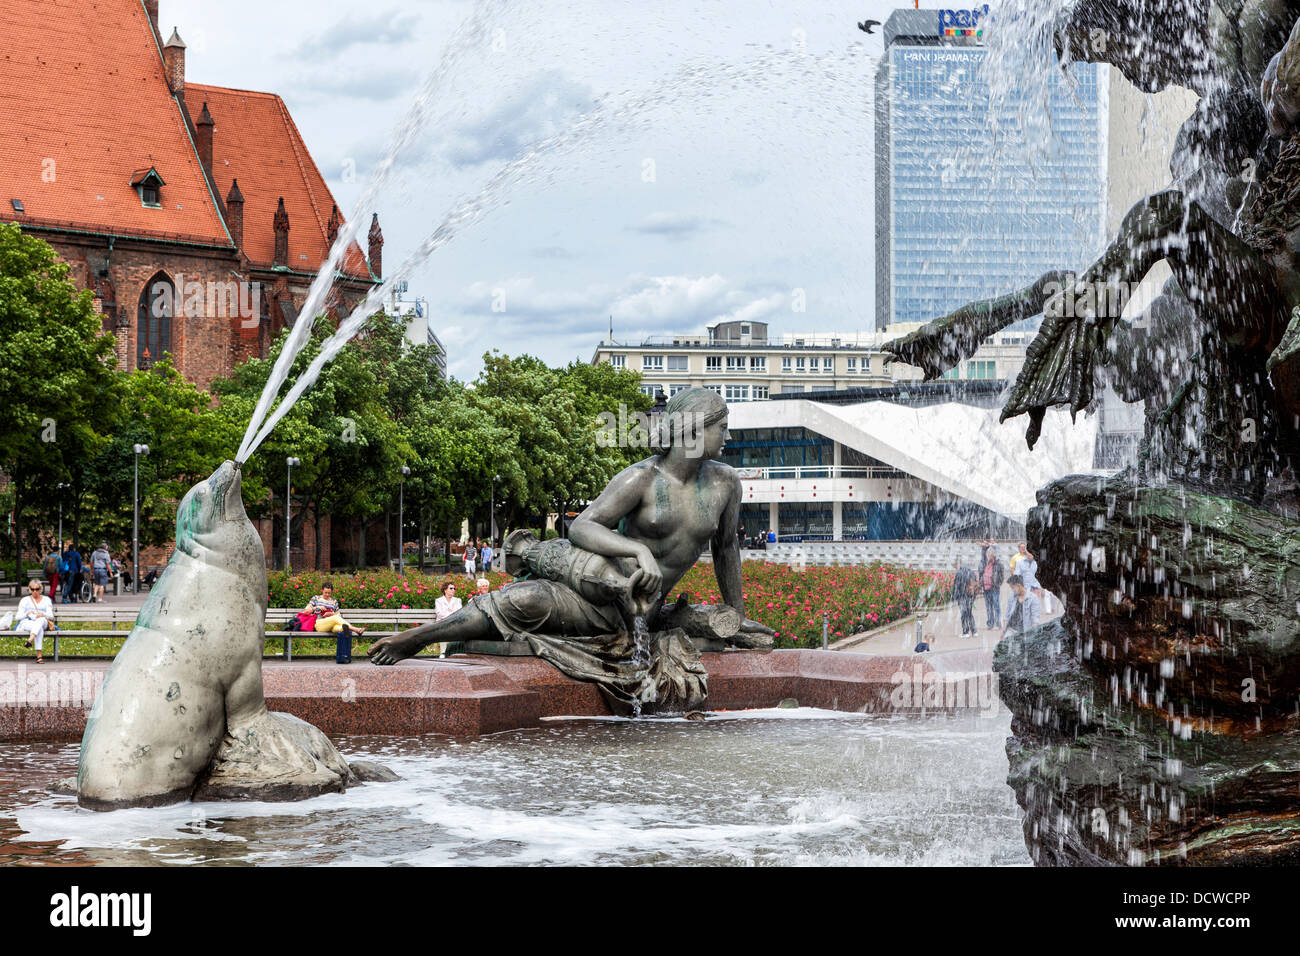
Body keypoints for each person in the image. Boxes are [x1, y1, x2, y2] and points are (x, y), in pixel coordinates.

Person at [369, 387, 774, 683]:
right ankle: (417, 638)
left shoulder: (725, 484)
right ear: (693, 429)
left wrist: (735, 616)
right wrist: (637, 550)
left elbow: (726, 549)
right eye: (722, 427)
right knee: (523, 599)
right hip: (594, 588)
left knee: (529, 600)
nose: (728, 436)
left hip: (639, 609)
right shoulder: (640, 479)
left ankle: (526, 556)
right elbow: (582, 526)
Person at [305, 582, 365, 664]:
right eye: (325, 592)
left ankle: (343, 656)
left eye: (329, 593)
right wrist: (317, 607)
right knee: (335, 618)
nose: (327, 594)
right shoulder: (315, 598)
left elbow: (338, 616)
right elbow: (306, 612)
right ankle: (356, 629)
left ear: (332, 592)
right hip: (318, 624)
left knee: (341, 628)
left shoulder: (334, 602)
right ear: (322, 591)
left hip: (332, 625)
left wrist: (332, 614)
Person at [15, 579, 55, 664]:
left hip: (43, 621)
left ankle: (30, 640)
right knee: (38, 628)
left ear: (40, 589)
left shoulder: (46, 599)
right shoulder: (25, 600)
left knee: (40, 621)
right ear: (30, 589)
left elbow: (51, 615)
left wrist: (43, 614)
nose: (35, 591)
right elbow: (17, 617)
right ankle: (39, 656)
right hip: (28, 622)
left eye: (37, 589)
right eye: (32, 589)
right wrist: (26, 614)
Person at [432, 580, 462, 658]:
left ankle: (454, 652)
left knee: (456, 629)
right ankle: (443, 652)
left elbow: (459, 612)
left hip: (454, 622)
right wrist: (451, 614)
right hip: (442, 622)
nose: (453, 590)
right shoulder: (439, 601)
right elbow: (439, 613)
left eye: (454, 589)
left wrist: (450, 614)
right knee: (443, 629)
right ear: (445, 590)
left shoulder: (457, 600)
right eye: (451, 588)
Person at [980, 544, 1006, 630]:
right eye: (987, 555)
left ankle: (998, 624)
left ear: (992, 555)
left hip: (994, 588)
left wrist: (997, 584)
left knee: (996, 606)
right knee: (988, 607)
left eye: (989, 555)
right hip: (986, 588)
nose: (987, 556)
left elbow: (1002, 576)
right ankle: (990, 623)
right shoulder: (985, 563)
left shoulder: (998, 564)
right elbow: (981, 573)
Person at [951, 560, 979, 638]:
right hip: (970, 595)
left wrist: (954, 597)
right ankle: (974, 631)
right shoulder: (971, 572)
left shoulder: (959, 573)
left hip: (962, 595)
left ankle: (965, 632)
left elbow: (956, 586)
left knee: (964, 614)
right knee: (969, 613)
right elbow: (975, 585)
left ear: (957, 565)